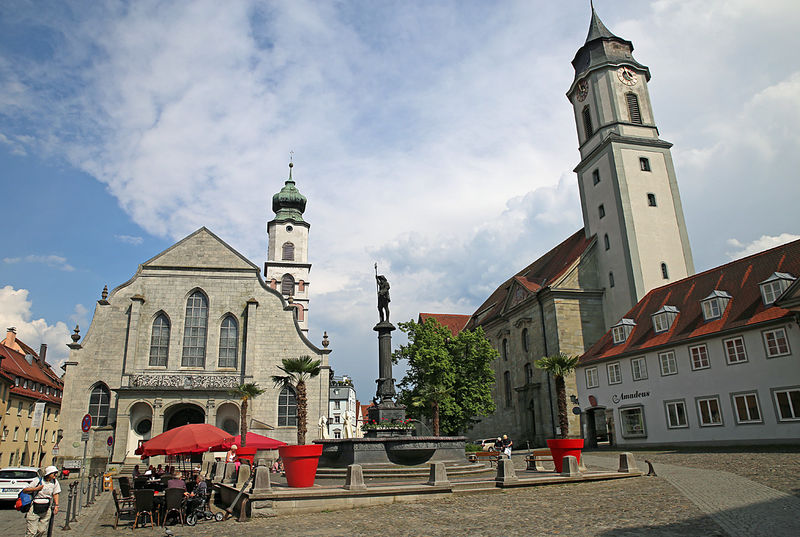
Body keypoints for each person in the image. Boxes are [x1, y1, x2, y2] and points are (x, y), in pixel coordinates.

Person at [23, 465, 60, 537]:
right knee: (31, 532)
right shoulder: (38, 480)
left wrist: (56, 505)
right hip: (35, 507)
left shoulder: (54, 482)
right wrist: (36, 489)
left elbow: (56, 493)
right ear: (49, 473)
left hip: (46, 508)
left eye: (56, 473)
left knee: (42, 530)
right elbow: (25, 490)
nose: (55, 475)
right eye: (54, 473)